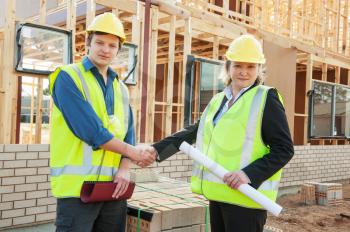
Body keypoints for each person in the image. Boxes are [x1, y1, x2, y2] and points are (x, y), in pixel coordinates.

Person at [151, 34, 294, 232]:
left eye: (250, 67)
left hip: (246, 199)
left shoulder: (265, 98)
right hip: (219, 195)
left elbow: (284, 149)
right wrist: (156, 150)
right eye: (237, 66)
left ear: (259, 69)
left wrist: (248, 174)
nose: (243, 72)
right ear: (228, 67)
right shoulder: (219, 99)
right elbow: (194, 131)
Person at [49, 12, 156, 232]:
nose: (105, 49)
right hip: (77, 191)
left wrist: (125, 168)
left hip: (114, 188)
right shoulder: (68, 77)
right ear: (88, 43)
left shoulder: (121, 88)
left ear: (118, 49)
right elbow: (91, 132)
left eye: (112, 45)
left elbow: (129, 133)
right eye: (99, 42)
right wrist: (136, 154)